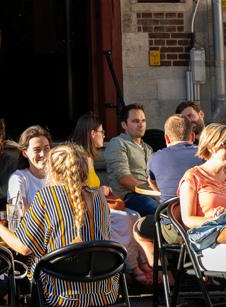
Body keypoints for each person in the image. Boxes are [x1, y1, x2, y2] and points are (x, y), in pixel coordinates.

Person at [0, 144, 115, 307]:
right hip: (102, 290)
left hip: (61, 292)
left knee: (40, 269)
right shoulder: (100, 198)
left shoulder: (47, 197)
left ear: (53, 172)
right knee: (64, 262)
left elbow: (23, 247)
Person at [71, 113, 148, 285]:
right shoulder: (81, 159)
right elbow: (79, 189)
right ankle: (131, 267)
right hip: (88, 209)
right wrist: (99, 190)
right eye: (101, 132)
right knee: (125, 219)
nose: (104, 136)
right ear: (92, 134)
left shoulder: (88, 157)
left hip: (98, 204)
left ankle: (139, 263)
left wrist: (101, 189)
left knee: (135, 216)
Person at [132, 114, 203, 269]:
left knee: (138, 228)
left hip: (173, 228)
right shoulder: (205, 156)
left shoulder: (155, 158)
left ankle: (164, 276)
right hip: (203, 224)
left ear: (167, 138)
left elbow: (154, 185)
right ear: (192, 136)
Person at [178, 122, 226, 272]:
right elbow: (187, 220)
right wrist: (211, 217)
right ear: (211, 146)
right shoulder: (193, 177)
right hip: (206, 240)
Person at [104, 104, 157, 215]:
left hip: (149, 194)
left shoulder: (148, 148)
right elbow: (124, 178)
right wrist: (154, 194)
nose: (141, 125)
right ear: (124, 125)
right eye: (135, 121)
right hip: (128, 196)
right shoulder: (117, 143)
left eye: (143, 120)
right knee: (158, 210)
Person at [7, 125, 52, 211]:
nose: (43, 154)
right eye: (37, 150)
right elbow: (20, 211)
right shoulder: (18, 178)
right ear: (25, 153)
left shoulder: (58, 176)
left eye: (46, 148)